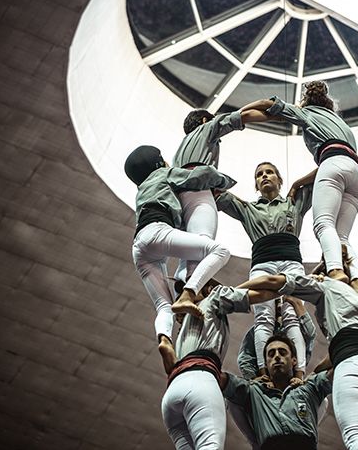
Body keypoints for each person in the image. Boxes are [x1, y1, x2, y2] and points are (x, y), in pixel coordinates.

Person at [238, 272, 358, 450]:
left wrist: (230, 294)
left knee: (357, 435)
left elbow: (272, 281)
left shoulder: (326, 287)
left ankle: (304, 427)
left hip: (353, 365)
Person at [243, 81, 358, 297]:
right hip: (357, 175)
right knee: (342, 238)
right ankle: (357, 280)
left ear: (306, 101)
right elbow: (338, 156)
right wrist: (297, 183)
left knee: (323, 224)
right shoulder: (339, 121)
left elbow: (267, 104)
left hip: (332, 165)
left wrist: (241, 114)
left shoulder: (307, 113)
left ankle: (336, 270)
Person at [124, 145, 235, 372]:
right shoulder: (163, 174)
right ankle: (188, 293)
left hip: (139, 246)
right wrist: (223, 181)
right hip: (157, 231)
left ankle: (165, 340)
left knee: (164, 306)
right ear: (157, 163)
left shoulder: (142, 188)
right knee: (220, 251)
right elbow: (199, 176)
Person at [215, 161, 315, 380]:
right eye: (259, 174)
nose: (264, 176)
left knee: (291, 316)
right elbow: (215, 193)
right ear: (256, 185)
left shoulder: (294, 203)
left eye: (270, 172)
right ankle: (263, 372)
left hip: (291, 262)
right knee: (263, 317)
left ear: (279, 180)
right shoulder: (248, 208)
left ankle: (299, 372)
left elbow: (325, 170)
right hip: (263, 263)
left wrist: (297, 183)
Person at [170, 106, 269, 316]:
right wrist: (276, 113)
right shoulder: (208, 128)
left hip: (179, 196)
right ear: (205, 120)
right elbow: (241, 117)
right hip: (199, 191)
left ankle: (183, 282)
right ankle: (189, 292)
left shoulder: (181, 149)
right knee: (207, 245)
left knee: (190, 247)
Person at [160, 278, 282, 450]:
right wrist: (290, 289)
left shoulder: (182, 330)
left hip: (172, 393)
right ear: (210, 288)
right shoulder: (214, 297)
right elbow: (261, 294)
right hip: (200, 379)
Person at [221, 334, 333, 450]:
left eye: (282, 352)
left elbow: (339, 363)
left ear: (294, 360)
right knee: (231, 398)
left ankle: (303, 430)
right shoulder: (254, 391)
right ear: (265, 363)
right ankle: (256, 442)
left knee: (322, 400)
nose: (277, 356)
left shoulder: (307, 388)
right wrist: (254, 378)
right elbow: (223, 379)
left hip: (304, 442)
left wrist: (311, 373)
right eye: (271, 354)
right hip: (269, 442)